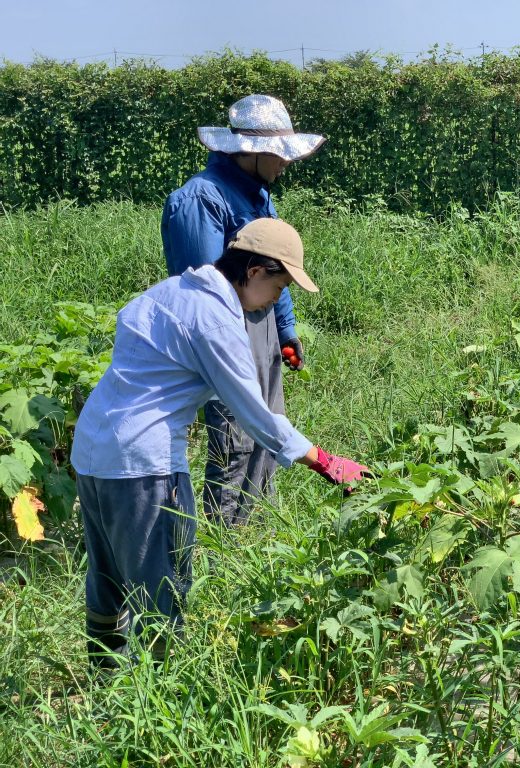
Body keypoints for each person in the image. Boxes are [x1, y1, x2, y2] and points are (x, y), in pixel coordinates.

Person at [71, 218, 366, 667]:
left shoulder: (172, 291)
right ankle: (158, 695)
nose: (278, 297)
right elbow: (254, 412)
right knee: (164, 583)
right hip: (144, 464)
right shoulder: (215, 321)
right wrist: (323, 460)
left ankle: (103, 681)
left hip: (94, 453)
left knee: (108, 577)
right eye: (280, 284)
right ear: (254, 272)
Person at [161, 94, 327, 526]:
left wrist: (285, 329)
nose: (285, 164)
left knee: (268, 428)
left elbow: (278, 268)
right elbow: (204, 292)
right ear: (250, 153)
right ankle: (225, 538)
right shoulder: (201, 198)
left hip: (263, 326)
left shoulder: (257, 194)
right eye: (279, 155)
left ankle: (256, 528)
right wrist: (234, 342)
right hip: (227, 329)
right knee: (235, 435)